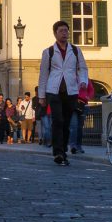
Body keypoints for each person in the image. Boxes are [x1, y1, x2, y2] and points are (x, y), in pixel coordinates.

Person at [37, 20, 89, 166]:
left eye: (66, 30)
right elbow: (43, 74)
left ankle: (63, 151)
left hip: (71, 90)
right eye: (61, 31)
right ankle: (58, 152)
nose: (64, 33)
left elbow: (83, 68)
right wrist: (41, 96)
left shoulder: (76, 50)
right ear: (55, 33)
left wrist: (83, 81)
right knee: (58, 121)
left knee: (66, 123)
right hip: (53, 91)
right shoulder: (49, 52)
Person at [69, 80, 92, 154]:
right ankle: (73, 146)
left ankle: (79, 145)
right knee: (73, 126)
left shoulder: (86, 79)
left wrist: (88, 97)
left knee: (80, 127)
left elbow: (91, 90)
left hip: (83, 105)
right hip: (72, 104)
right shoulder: (70, 76)